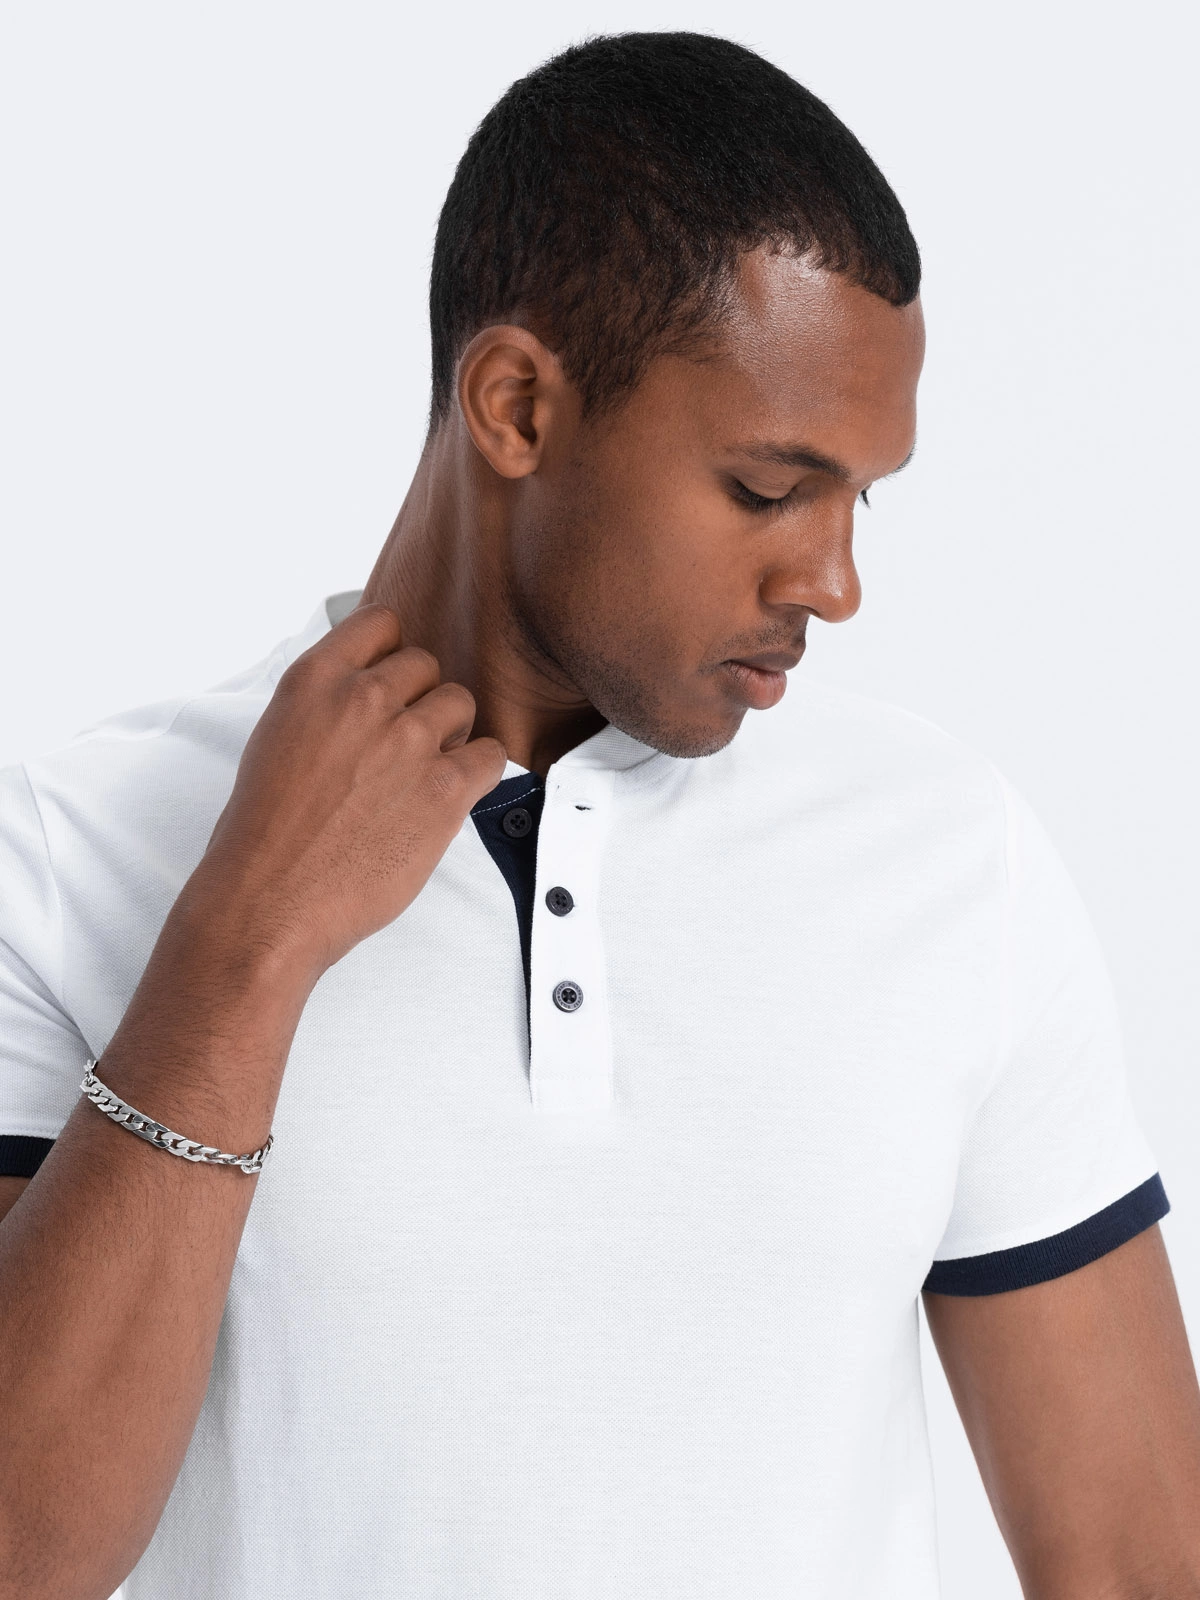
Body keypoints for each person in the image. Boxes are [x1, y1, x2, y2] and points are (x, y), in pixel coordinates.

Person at [0, 28, 1197, 1600]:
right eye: (768, 490)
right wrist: (246, 942)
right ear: (516, 407)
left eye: (861, 499)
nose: (836, 582)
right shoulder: (80, 851)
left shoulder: (952, 860)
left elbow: (1137, 1566)